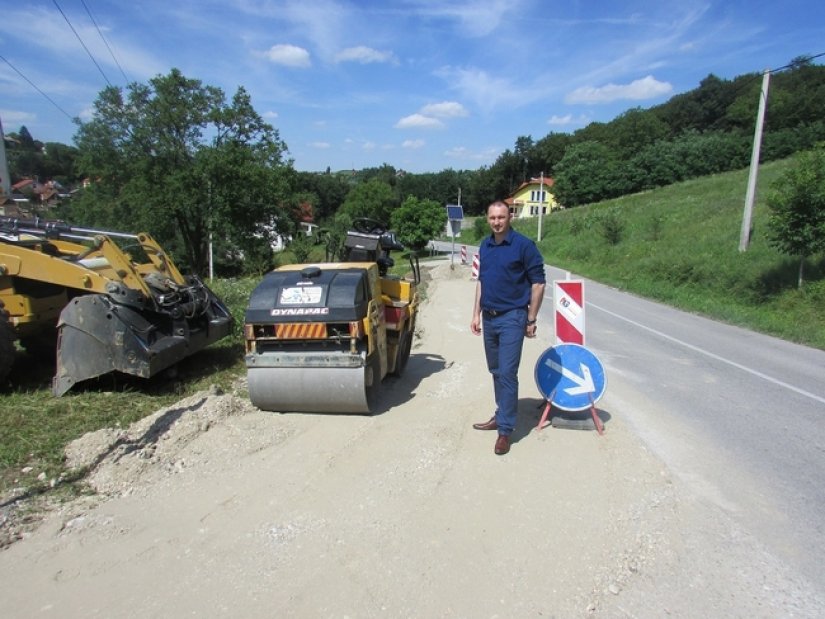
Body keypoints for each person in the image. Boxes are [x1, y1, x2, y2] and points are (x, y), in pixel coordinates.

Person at [470, 200, 546, 455]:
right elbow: (482, 281)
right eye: (492, 217)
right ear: (487, 218)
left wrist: (531, 319)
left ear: (509, 217)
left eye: (501, 217)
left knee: (507, 373)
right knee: (495, 369)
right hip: (489, 318)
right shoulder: (486, 244)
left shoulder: (524, 246)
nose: (497, 222)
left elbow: (538, 283)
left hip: (513, 317)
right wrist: (475, 314)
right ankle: (500, 413)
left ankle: (505, 430)